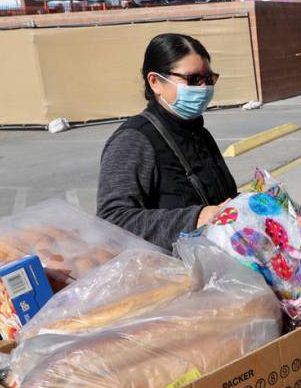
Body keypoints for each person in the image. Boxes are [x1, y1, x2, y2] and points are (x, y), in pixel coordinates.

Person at [97, 33, 236, 250]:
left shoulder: (198, 132)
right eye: (192, 79)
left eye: (208, 79)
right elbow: (111, 221)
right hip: (170, 275)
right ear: (155, 82)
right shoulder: (134, 141)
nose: (202, 88)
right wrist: (196, 218)